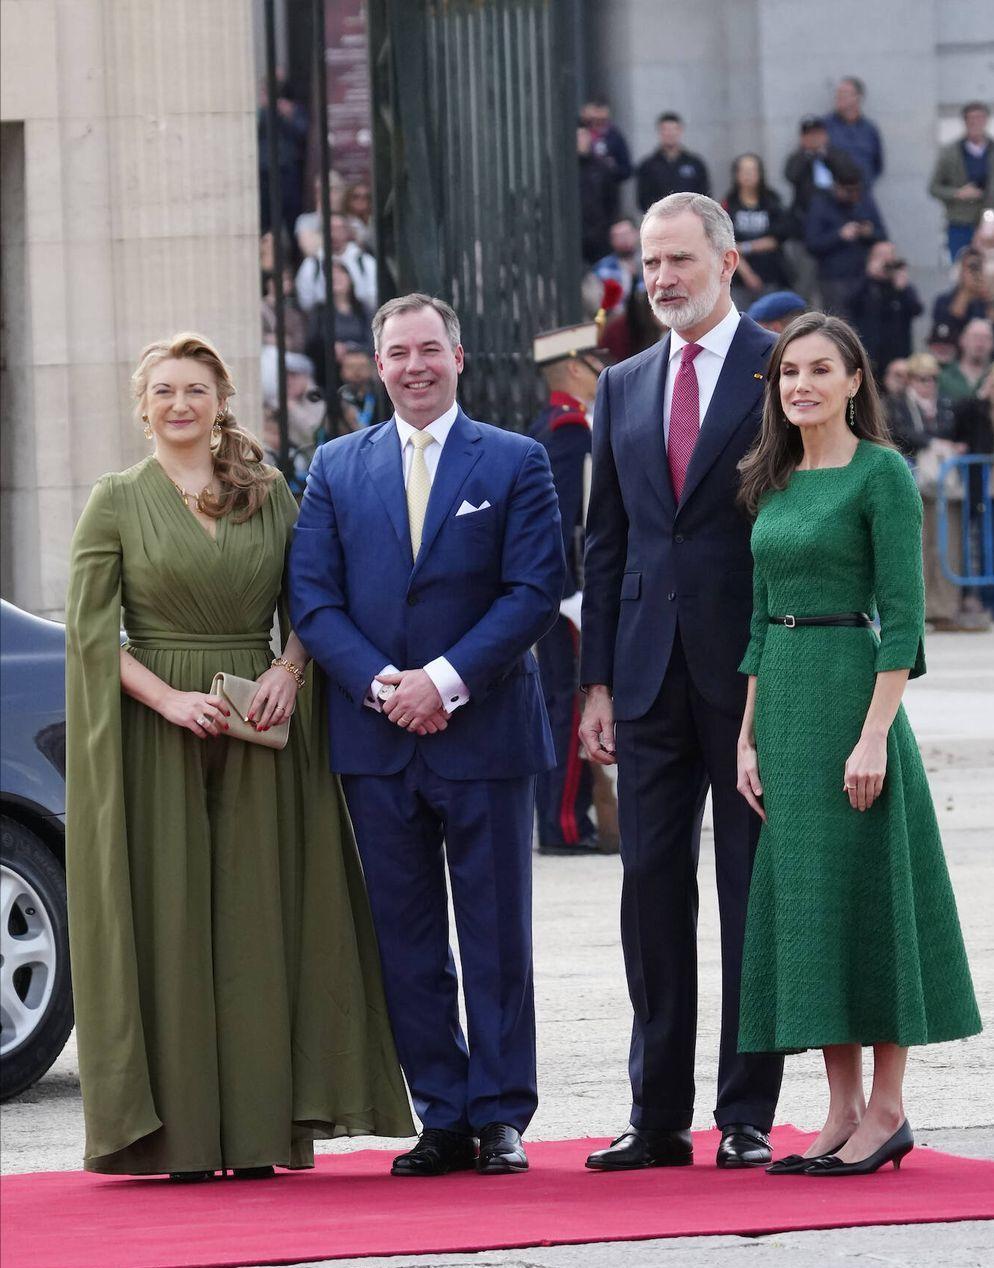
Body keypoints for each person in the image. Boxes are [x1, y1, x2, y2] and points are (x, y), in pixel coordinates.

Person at [64, 332, 413, 1179]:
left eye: (195, 389)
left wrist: (290, 672)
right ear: (142, 406)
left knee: (258, 925)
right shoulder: (114, 500)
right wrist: (170, 700)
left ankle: (259, 1133)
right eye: (164, 391)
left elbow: (313, 603)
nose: (179, 404)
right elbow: (90, 635)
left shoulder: (269, 494)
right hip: (159, 734)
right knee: (174, 923)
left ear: (222, 401)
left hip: (261, 728)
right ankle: (182, 1140)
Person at [288, 294, 565, 1178]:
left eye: (429, 350)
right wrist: (384, 687)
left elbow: (535, 589)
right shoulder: (335, 466)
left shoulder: (516, 459)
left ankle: (502, 1113)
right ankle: (442, 1115)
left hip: (485, 734)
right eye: (398, 353)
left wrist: (441, 682)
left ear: (459, 356)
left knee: (496, 937)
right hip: (377, 742)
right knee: (405, 940)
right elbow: (312, 598)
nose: (415, 367)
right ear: (377, 365)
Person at [735, 313, 981, 1177]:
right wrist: (747, 737)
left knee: (871, 898)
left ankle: (888, 1107)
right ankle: (839, 1108)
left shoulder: (882, 474)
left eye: (818, 369)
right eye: (788, 371)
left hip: (852, 702)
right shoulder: (771, 477)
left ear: (852, 381)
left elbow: (904, 623)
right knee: (813, 908)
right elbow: (760, 621)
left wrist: (873, 736)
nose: (801, 384)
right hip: (785, 710)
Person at [579, 193, 784, 1174]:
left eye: (678, 260)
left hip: (751, 676)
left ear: (728, 261)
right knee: (649, 891)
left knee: (751, 891)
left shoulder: (783, 368)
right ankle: (655, 1113)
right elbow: (606, 539)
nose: (659, 278)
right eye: (649, 263)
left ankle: (746, 1112)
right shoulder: (620, 385)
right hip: (645, 677)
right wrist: (595, 683)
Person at [528, 323, 617, 856]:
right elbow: (562, 521)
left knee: (564, 702)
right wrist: (569, 594)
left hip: (560, 594)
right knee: (569, 707)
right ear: (573, 367)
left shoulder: (553, 424)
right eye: (594, 363)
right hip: (567, 597)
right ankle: (562, 824)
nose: (601, 372)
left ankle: (565, 820)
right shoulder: (568, 431)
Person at [805, 164, 886, 319]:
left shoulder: (863, 201)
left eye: (857, 190)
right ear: (837, 187)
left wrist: (868, 232)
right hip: (834, 278)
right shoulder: (821, 205)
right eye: (849, 191)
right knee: (839, 323)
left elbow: (882, 234)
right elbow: (812, 243)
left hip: (863, 276)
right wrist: (839, 235)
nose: (854, 195)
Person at [722, 153, 793, 305]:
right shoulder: (728, 203)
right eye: (744, 170)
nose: (748, 175)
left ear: (760, 173)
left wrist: (745, 247)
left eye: (752, 170)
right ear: (736, 174)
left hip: (771, 275)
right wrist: (747, 273)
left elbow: (778, 238)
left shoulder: (771, 201)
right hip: (739, 279)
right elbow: (726, 243)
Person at [929, 102, 994, 263]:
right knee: (961, 266)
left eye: (979, 118)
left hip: (990, 218)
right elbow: (934, 187)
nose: (975, 123)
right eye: (971, 119)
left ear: (986, 120)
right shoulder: (951, 152)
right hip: (960, 220)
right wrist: (957, 193)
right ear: (965, 121)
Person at [848, 241, 923, 378]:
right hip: (870, 352)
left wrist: (902, 290)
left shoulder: (902, 286)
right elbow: (849, 303)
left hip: (898, 352)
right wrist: (868, 277)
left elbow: (917, 310)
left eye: (890, 255)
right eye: (881, 255)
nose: (886, 260)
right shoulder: (863, 283)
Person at [296, 213, 378, 319]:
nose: (334, 234)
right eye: (330, 229)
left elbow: (373, 298)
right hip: (322, 321)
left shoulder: (365, 262)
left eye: (339, 228)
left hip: (360, 321)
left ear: (348, 232)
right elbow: (306, 302)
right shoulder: (311, 264)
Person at [636, 112, 710, 212]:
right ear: (659, 132)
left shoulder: (695, 164)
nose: (670, 134)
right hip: (659, 216)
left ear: (680, 131)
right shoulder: (648, 165)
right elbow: (643, 200)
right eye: (665, 130)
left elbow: (704, 195)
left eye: (673, 129)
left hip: (690, 216)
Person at [825, 76, 884, 188]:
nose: (838, 97)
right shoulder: (824, 126)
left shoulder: (870, 130)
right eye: (838, 93)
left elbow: (877, 165)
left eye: (844, 93)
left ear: (858, 97)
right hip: (832, 195)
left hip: (862, 194)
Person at [579, 120, 619, 264]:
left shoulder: (602, 168)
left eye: (583, 136)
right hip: (572, 235)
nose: (580, 140)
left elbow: (612, 201)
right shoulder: (562, 169)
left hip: (599, 236)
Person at [931, 246, 993, 340]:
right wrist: (966, 291)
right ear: (960, 271)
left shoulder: (987, 301)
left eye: (979, 268)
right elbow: (947, 328)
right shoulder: (943, 301)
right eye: (972, 267)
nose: (976, 273)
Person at [938, 317, 994, 403]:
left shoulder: (991, 374)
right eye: (975, 337)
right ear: (962, 340)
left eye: (986, 338)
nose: (980, 342)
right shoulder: (942, 375)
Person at [592, 218, 644, 309]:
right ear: (611, 241)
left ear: (636, 234)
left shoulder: (650, 261)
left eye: (627, 234)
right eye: (619, 236)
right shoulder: (603, 268)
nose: (624, 239)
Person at [581, 98, 633, 185]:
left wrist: (613, 168)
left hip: (608, 186)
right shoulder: (582, 133)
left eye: (602, 120)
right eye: (595, 120)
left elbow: (626, 169)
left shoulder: (614, 137)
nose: (598, 124)